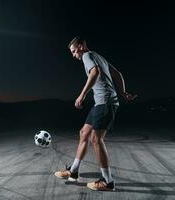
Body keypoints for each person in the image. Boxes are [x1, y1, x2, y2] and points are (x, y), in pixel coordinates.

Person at [54, 36, 137, 191]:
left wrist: (82, 95)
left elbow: (95, 72)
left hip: (105, 102)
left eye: (73, 51)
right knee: (83, 133)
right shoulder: (98, 56)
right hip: (101, 103)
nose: (73, 55)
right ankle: (73, 172)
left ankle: (108, 182)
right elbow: (117, 73)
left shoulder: (86, 55)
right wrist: (123, 92)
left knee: (96, 139)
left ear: (80, 46)